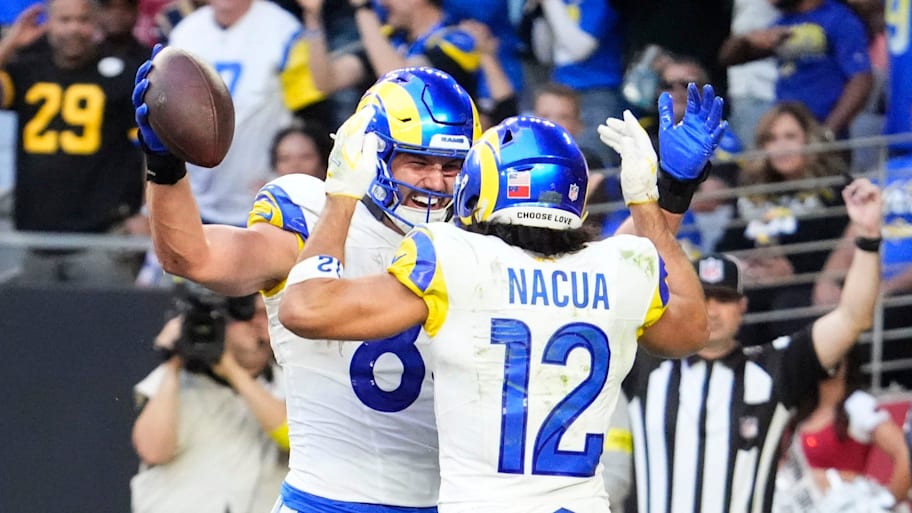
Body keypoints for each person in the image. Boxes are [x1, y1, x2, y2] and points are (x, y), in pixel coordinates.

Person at [133, 48, 725, 509]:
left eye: (451, 165)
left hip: (448, 500)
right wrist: (165, 166)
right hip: (331, 497)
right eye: (417, 161)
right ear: (370, 149)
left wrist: (669, 194)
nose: (437, 182)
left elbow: (602, 277)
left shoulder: (477, 235)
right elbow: (193, 258)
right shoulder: (312, 212)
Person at [276, 113, 710, 512]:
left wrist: (341, 196)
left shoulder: (455, 258)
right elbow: (690, 331)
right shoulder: (619, 267)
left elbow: (306, 310)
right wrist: (647, 203)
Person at [623, 176, 884, 513]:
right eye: (703, 298)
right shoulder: (645, 364)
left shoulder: (775, 367)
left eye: (724, 299)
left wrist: (868, 237)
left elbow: (853, 318)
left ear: (743, 306)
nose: (712, 310)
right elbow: (610, 282)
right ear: (685, 301)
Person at [0, 0, 147, 286]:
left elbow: (148, 150)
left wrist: (146, 212)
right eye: (64, 20)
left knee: (108, 315)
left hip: (104, 237)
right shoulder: (27, 69)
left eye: (83, 20)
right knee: (35, 314)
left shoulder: (125, 73)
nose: (74, 29)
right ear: (48, 24)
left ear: (97, 23)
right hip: (36, 236)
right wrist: (10, 44)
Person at [130, 290, 288, 513]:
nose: (256, 323)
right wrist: (174, 359)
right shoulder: (174, 379)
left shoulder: (289, 384)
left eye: (264, 313)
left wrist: (229, 368)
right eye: (244, 315)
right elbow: (153, 451)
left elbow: (291, 436)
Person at [163, 0, 310, 226]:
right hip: (193, 196)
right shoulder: (184, 33)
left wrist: (281, 179)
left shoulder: (283, 28)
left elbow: (307, 112)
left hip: (264, 199)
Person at [716, 101, 850, 345]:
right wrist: (745, 267)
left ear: (808, 140)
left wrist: (793, 271)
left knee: (787, 306)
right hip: (755, 287)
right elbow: (726, 245)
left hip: (807, 289)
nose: (781, 147)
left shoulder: (835, 189)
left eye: (790, 137)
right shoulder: (751, 192)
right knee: (731, 306)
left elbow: (839, 248)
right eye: (772, 139)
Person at [777, 345, 911, 507]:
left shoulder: (857, 404)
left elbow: (905, 453)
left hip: (847, 504)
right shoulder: (798, 410)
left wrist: (888, 501)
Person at [719, 0, 873, 141]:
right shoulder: (785, 22)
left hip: (824, 130)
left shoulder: (838, 18)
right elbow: (728, 58)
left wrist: (828, 132)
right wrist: (746, 39)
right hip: (786, 131)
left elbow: (861, 80)